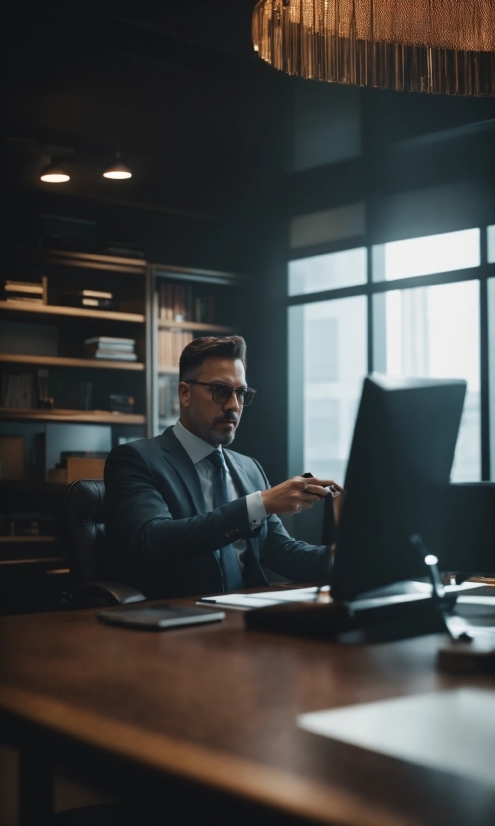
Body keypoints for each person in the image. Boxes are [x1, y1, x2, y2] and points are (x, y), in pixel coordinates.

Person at [104, 336, 343, 598]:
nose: (234, 405)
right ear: (185, 393)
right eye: (220, 391)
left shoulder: (249, 468)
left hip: (248, 618)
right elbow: (152, 541)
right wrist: (258, 504)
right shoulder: (136, 460)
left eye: (240, 393)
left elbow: (280, 551)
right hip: (176, 620)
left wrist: (347, 556)